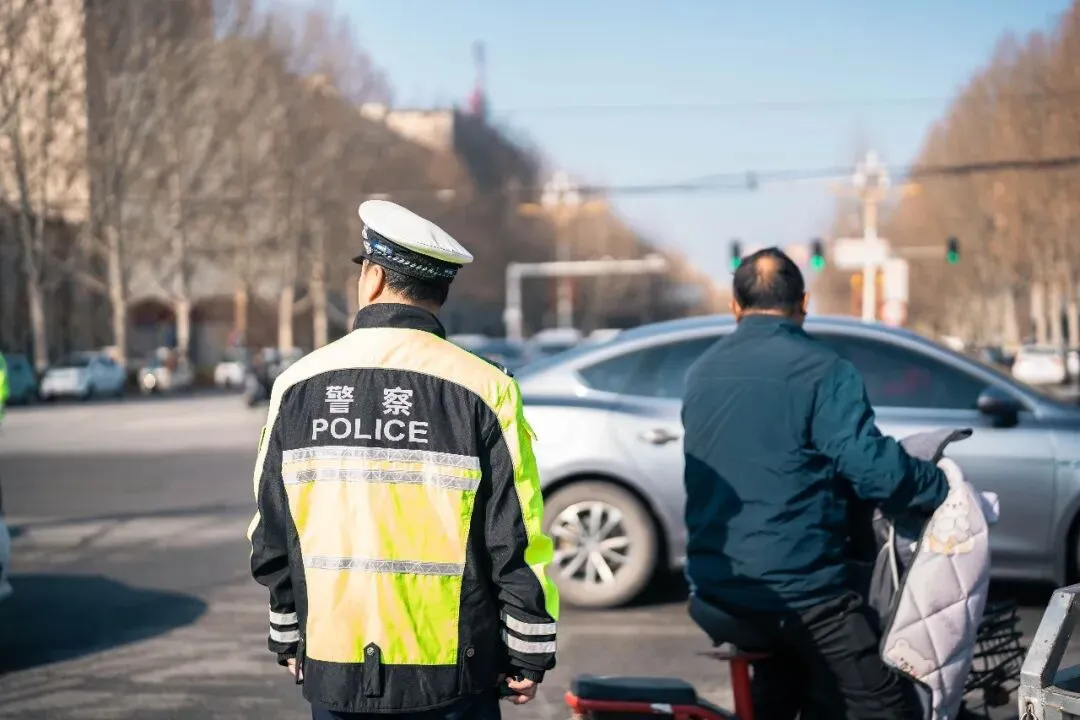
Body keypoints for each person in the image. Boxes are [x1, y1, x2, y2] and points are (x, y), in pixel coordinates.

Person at [248, 200, 559, 720]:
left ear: (371, 279)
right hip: (457, 672)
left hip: (334, 667)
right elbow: (516, 534)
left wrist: (290, 636)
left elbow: (272, 532)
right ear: (440, 292)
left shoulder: (295, 386)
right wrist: (528, 649)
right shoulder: (487, 388)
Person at [681, 247, 950, 720]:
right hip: (801, 591)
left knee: (787, 680)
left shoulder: (700, 372)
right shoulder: (824, 370)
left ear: (735, 307)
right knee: (885, 703)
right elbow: (873, 470)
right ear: (803, 303)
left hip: (714, 585)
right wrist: (938, 487)